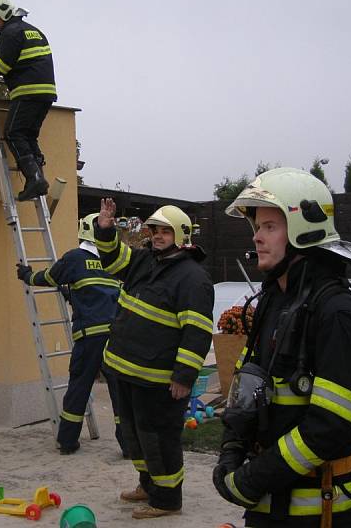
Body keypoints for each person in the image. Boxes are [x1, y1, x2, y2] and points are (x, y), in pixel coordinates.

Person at [213, 167, 351, 528]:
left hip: (322, 512)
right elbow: (249, 383)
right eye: (257, 227)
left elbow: (333, 423)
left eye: (270, 227)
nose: (257, 237)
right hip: (271, 508)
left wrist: (254, 478)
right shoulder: (275, 300)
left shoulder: (337, 312)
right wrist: (232, 449)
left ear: (305, 230)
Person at [95, 199, 214, 519]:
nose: (158, 236)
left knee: (159, 438)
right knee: (135, 435)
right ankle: (148, 485)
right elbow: (113, 260)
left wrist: (184, 376)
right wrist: (105, 230)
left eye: (165, 231)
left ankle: (167, 500)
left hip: (159, 379)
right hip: (126, 370)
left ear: (182, 235)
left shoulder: (192, 278)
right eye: (155, 230)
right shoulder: (145, 259)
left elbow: (198, 332)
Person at [16, 213, 127, 457]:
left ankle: (67, 441)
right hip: (116, 338)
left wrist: (26, 275)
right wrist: (72, 295)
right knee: (121, 392)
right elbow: (100, 294)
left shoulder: (76, 258)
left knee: (79, 387)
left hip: (89, 338)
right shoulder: (114, 263)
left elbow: (49, 277)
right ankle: (129, 446)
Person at [0, 0, 56, 201]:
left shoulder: (10, 33)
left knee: (12, 133)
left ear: (3, 12)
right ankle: (38, 179)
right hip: (45, 93)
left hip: (27, 92)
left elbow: (0, 66)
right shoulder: (33, 31)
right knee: (28, 136)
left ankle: (35, 178)